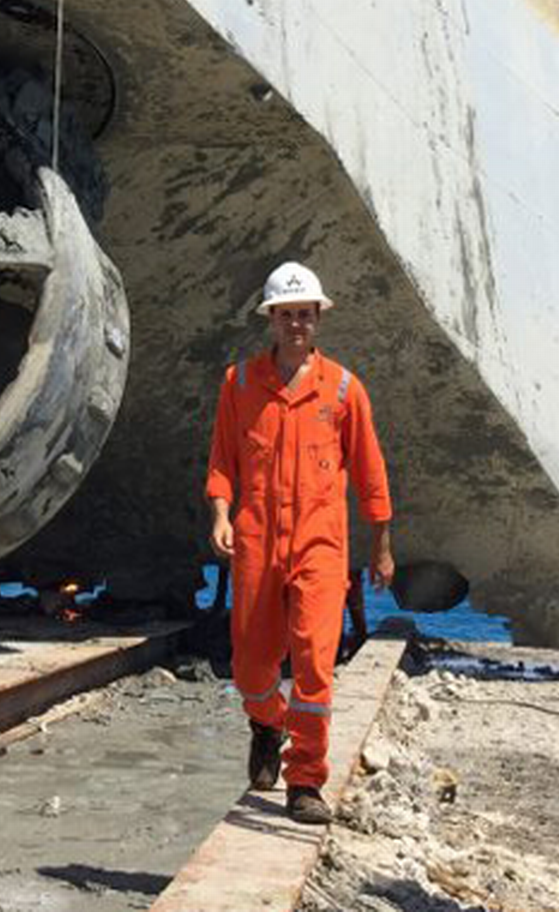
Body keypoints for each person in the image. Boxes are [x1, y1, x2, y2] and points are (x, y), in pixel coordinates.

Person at [205, 261, 394, 825]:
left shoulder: (342, 389)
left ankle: (305, 778)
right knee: (250, 668)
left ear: (318, 318)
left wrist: (381, 546)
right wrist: (220, 512)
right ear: (271, 319)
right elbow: (222, 460)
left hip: (320, 544)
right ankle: (267, 723)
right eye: (286, 315)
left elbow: (369, 473)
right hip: (257, 542)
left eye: (304, 315)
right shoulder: (238, 385)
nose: (295, 325)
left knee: (315, 660)